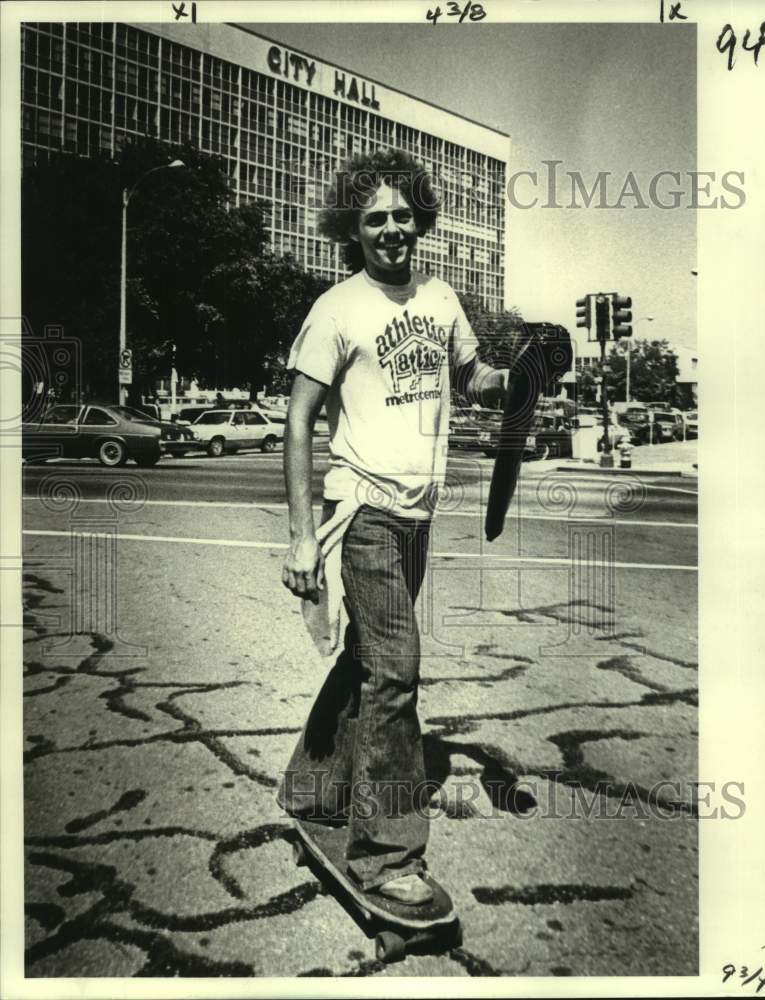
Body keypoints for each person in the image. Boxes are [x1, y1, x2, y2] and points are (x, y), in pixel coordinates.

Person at [277, 149, 511, 906]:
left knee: (368, 659)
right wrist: (303, 533)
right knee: (397, 670)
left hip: (416, 515)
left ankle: (313, 786)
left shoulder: (442, 298)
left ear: (422, 220)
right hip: (363, 508)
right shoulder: (337, 308)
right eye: (374, 217)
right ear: (354, 227)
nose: (390, 229)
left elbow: (473, 380)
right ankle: (387, 855)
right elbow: (300, 421)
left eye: (402, 214)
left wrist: (520, 376)